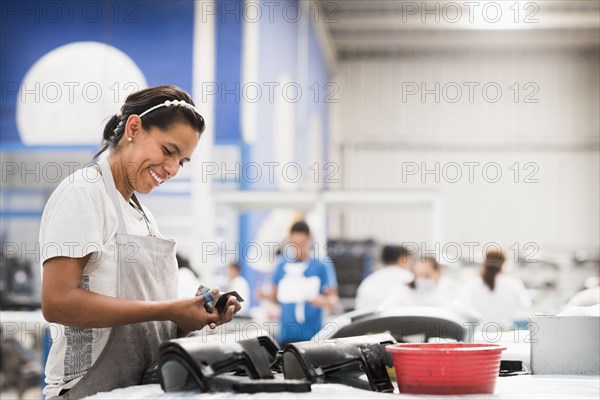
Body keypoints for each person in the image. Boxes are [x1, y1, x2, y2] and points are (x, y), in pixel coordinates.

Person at [39, 85, 241, 399]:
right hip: (87, 390)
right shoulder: (84, 193)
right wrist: (169, 309)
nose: (173, 169)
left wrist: (188, 317)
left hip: (135, 389)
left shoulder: (144, 216)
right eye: (168, 151)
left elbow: (145, 323)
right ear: (134, 128)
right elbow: (57, 302)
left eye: (183, 162)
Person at [267, 221, 339, 344]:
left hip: (313, 338)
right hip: (286, 337)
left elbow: (333, 300)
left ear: (309, 240)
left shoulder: (321, 265)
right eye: (294, 244)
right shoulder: (282, 264)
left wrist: (319, 300)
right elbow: (273, 297)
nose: (298, 249)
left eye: (302, 244)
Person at [465, 248, 531, 330]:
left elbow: (464, 309)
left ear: (484, 262)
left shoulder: (472, 284)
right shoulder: (514, 284)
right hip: (506, 334)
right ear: (504, 263)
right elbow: (525, 305)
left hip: (479, 333)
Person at [355, 245, 414, 311]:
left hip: (369, 320)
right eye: (410, 260)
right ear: (402, 259)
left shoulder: (369, 280)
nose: (411, 264)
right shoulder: (410, 278)